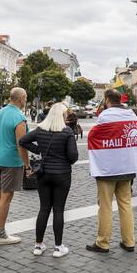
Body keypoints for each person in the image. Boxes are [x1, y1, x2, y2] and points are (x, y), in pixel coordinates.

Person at [86, 89, 137, 253]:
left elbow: (93, 135)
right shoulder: (131, 115)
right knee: (125, 204)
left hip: (108, 168)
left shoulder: (105, 116)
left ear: (107, 99)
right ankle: (129, 241)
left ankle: (103, 242)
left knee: (105, 206)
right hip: (127, 166)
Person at [20, 102, 78, 258]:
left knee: (44, 209)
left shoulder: (40, 130)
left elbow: (23, 141)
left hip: (43, 174)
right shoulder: (67, 132)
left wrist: (39, 150)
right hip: (62, 174)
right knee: (58, 210)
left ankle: (38, 245)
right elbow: (73, 157)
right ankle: (58, 248)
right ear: (63, 116)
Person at [0, 88, 30, 245]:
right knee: (6, 197)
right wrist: (27, 165)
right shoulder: (19, 117)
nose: (25, 101)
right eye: (25, 98)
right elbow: (21, 145)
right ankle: (0, 234)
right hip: (11, 162)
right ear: (21, 99)